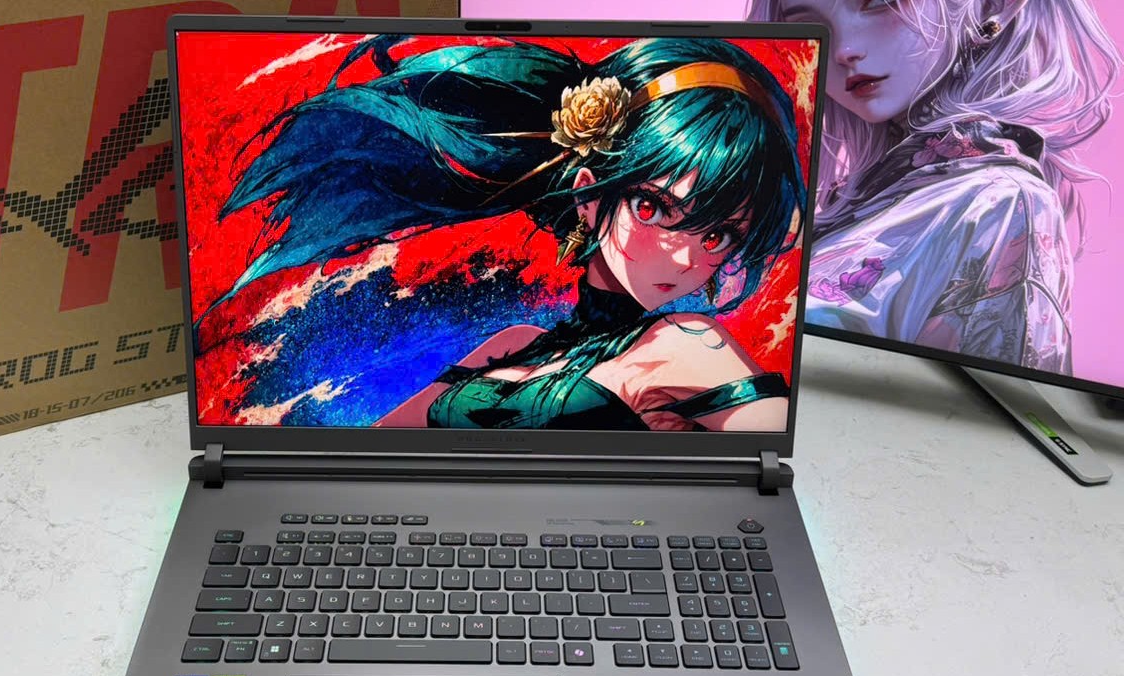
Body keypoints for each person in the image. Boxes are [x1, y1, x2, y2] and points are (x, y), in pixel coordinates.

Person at [204, 35, 808, 430]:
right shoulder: (514, 343)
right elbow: (376, 447)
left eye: (717, 237)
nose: (681, 257)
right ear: (590, 195)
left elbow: (762, 463)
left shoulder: (690, 345)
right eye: (653, 207)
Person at [749, 0, 1120, 374]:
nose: (843, 50)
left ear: (991, 5)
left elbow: (989, 406)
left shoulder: (1001, 203)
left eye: (880, 4)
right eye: (812, 25)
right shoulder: (838, 208)